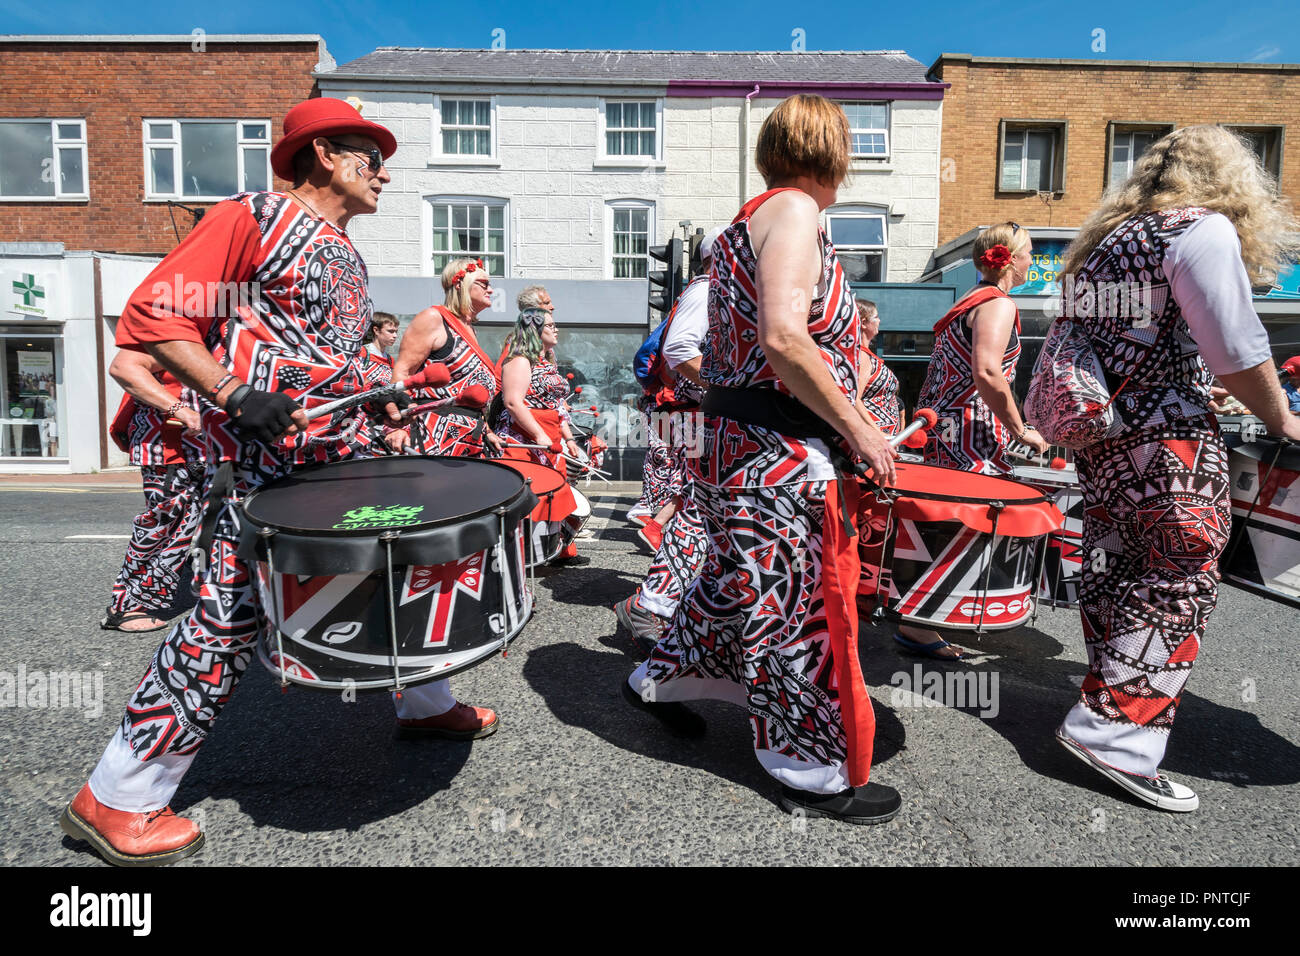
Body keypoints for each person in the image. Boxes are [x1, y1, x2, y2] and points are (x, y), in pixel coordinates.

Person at [59, 98, 494, 868]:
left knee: (395, 580)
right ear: (323, 153)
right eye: (369, 155)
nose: (384, 172)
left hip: (340, 456)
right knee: (225, 616)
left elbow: (327, 352)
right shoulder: (251, 216)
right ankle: (118, 796)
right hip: (274, 469)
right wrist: (231, 394)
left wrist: (378, 386)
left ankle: (424, 702)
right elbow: (155, 315)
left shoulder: (345, 251)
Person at [625, 95, 901, 824]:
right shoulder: (798, 213)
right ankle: (808, 768)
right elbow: (784, 336)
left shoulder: (745, 224)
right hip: (774, 454)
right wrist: (862, 430)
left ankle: (656, 680)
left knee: (730, 581)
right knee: (792, 603)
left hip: (741, 447)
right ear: (832, 152)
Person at [1052, 124, 1300, 812]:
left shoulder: (1108, 242)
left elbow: (1127, 343)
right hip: (1168, 441)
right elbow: (1236, 342)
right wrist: (1282, 418)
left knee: (1115, 566)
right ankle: (1116, 731)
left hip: (1101, 436)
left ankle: (1105, 702)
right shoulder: (1202, 229)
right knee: (1181, 570)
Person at [904, 223, 1052, 661]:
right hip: (971, 430)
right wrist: (1021, 428)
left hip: (947, 426)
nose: (1033, 262)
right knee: (968, 521)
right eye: (1029, 254)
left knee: (949, 520)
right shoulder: (998, 304)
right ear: (1009, 260)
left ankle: (925, 617)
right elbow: (988, 373)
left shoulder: (968, 302)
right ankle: (921, 623)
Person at [614, 225, 724, 650]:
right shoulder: (705, 289)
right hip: (700, 417)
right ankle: (653, 602)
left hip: (705, 419)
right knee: (698, 507)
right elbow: (680, 350)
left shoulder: (714, 291)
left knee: (702, 508)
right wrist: (726, 394)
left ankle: (667, 602)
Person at [101, 351, 206, 632]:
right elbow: (124, 367)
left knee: (203, 522)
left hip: (205, 443)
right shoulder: (185, 316)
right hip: (175, 442)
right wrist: (180, 410)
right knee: (166, 524)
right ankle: (127, 606)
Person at [388, 259, 501, 456]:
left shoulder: (470, 330)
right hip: (432, 435)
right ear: (460, 284)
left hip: (469, 439)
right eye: (484, 283)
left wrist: (487, 430)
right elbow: (402, 373)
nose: (490, 290)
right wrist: (397, 427)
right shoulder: (433, 318)